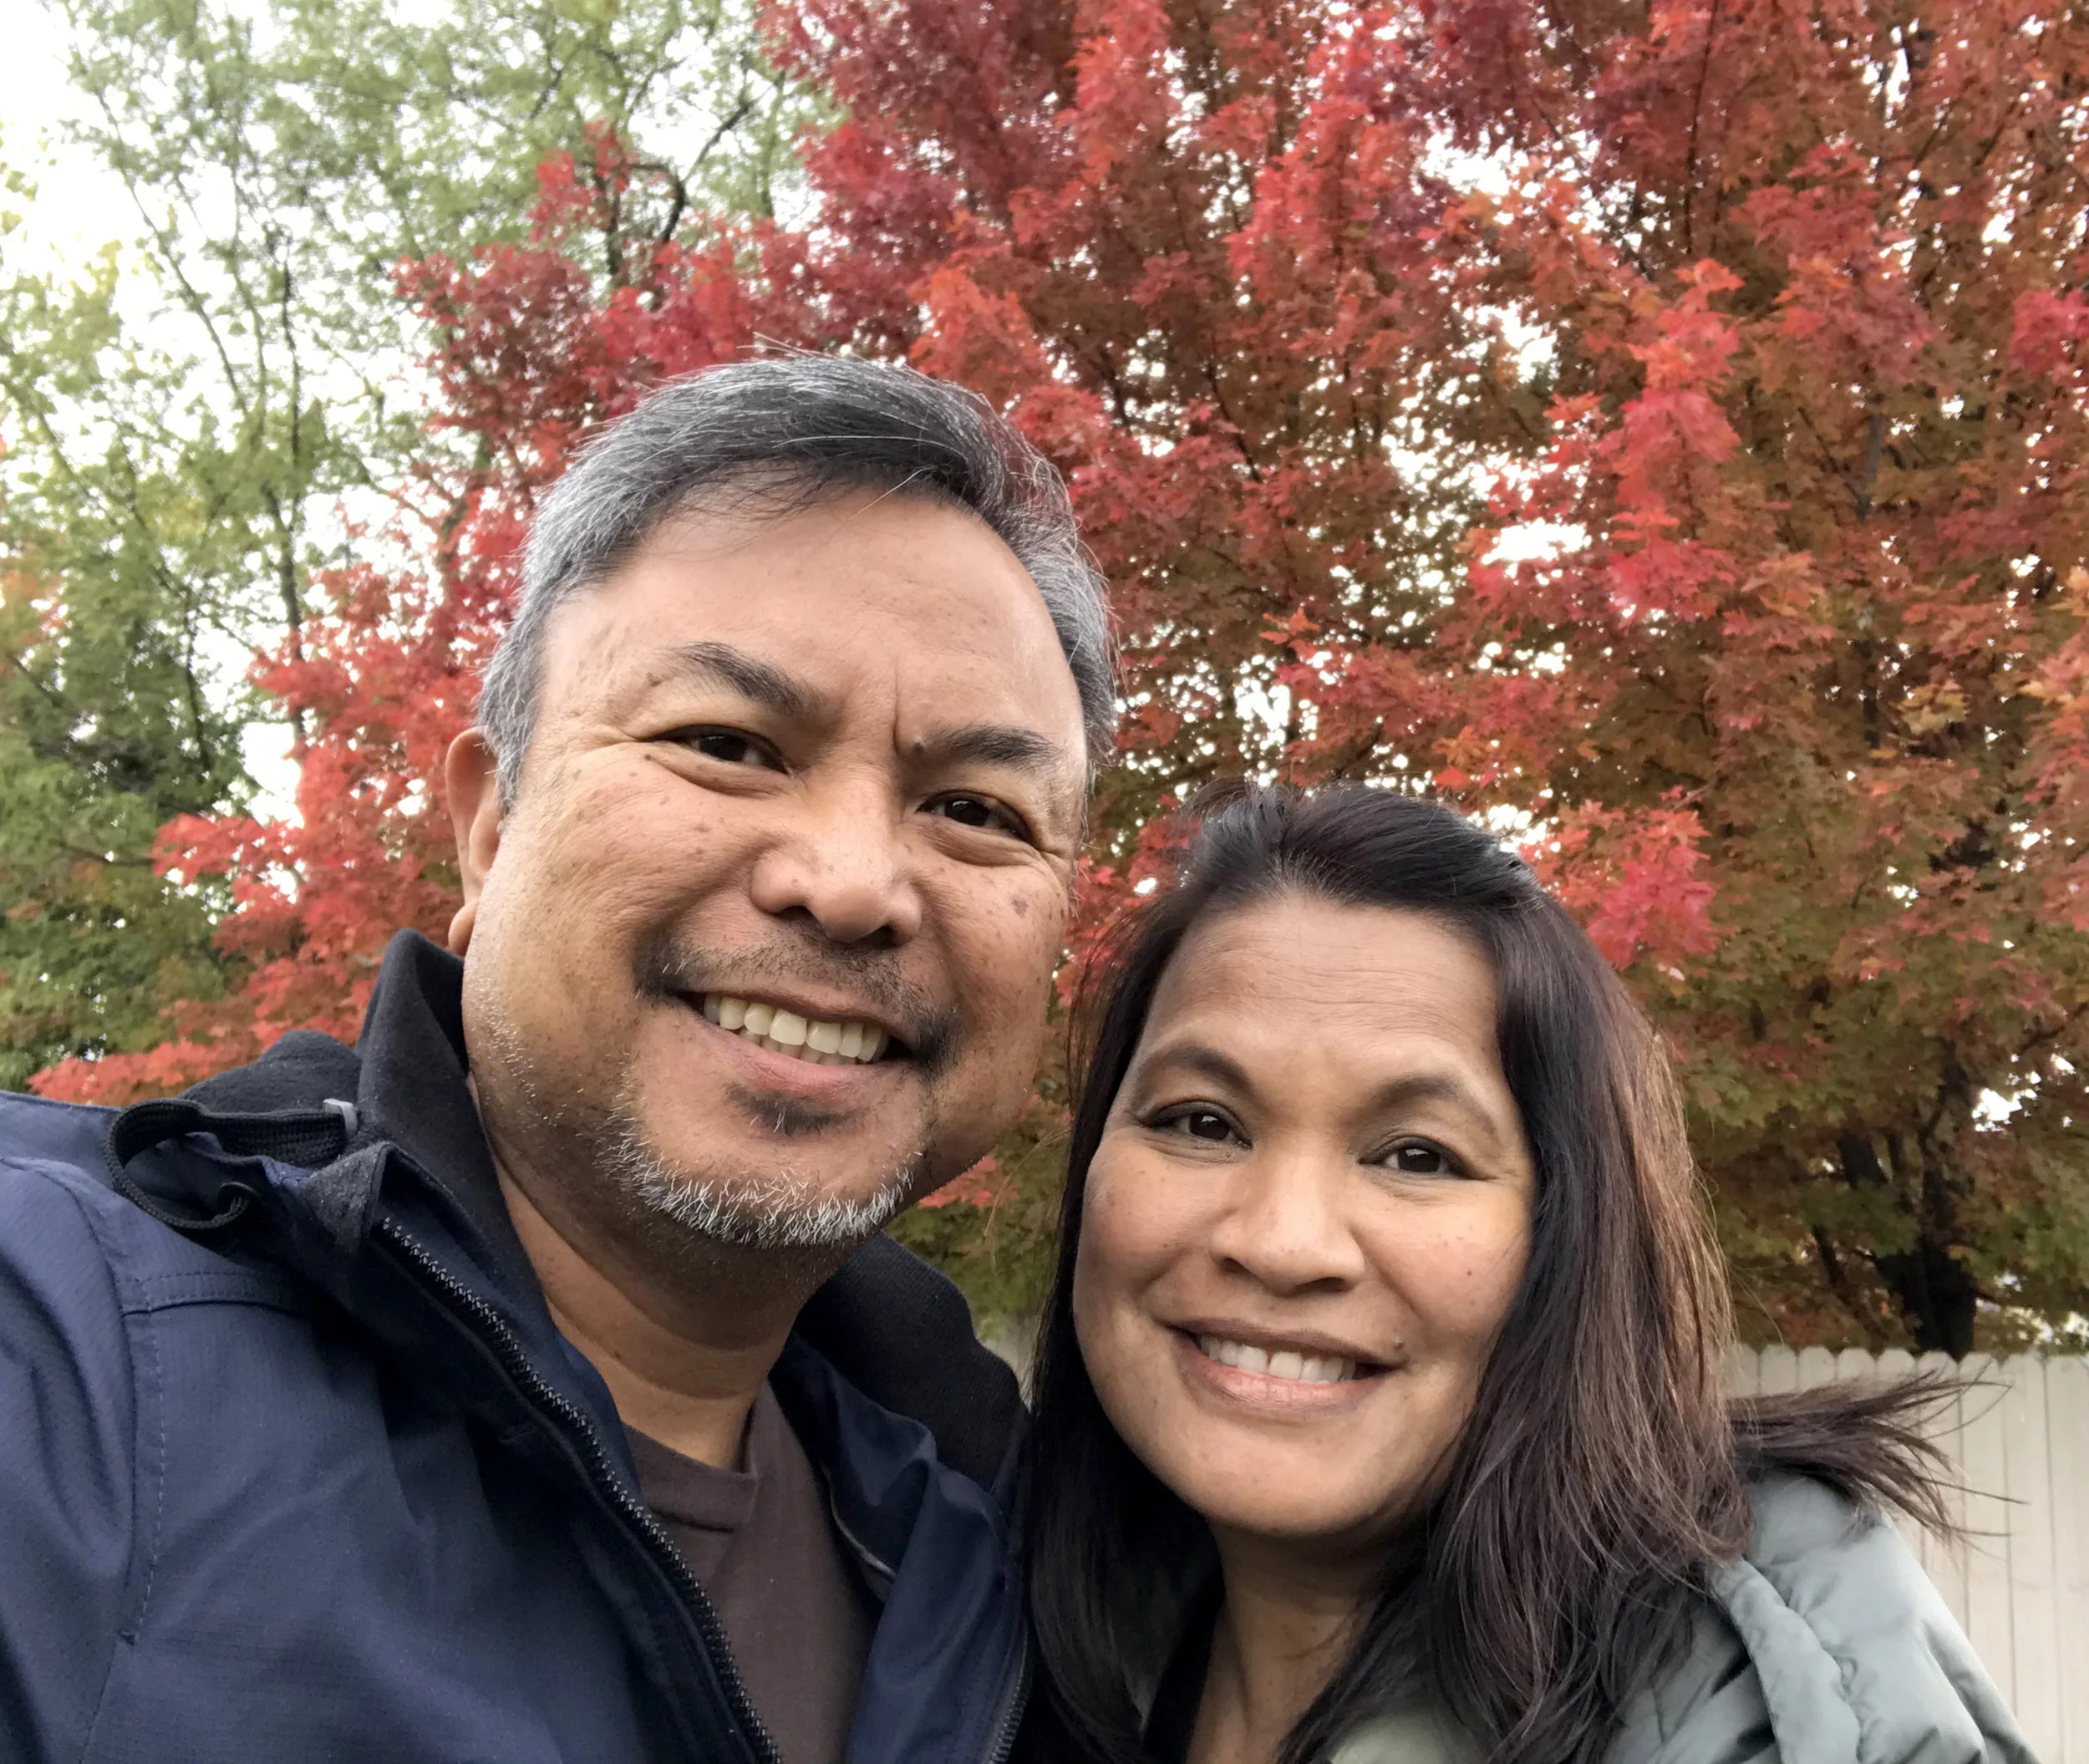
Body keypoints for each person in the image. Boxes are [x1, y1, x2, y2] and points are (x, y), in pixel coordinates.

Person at [0, 356, 1115, 1762]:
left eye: (975, 808)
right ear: (487, 830)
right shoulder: (63, 1355)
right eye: (726, 743)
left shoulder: (1004, 1547)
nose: (850, 882)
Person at [1020, 784, 2032, 1764]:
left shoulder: (1774, 1718)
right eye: (1202, 1122)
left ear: (1569, 1235)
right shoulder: (984, 1637)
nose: (1282, 1241)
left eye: (1416, 1154)